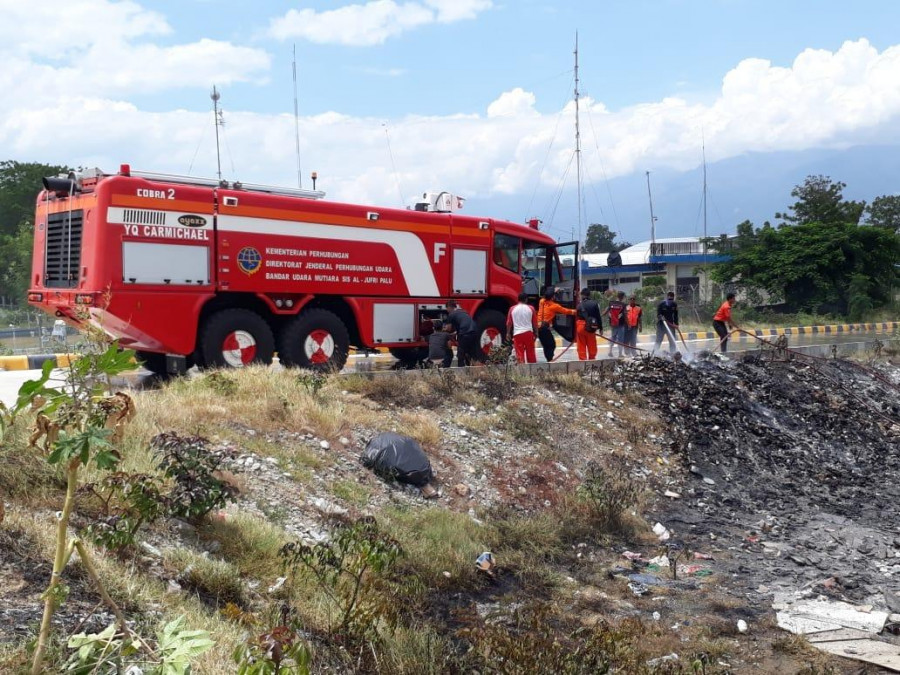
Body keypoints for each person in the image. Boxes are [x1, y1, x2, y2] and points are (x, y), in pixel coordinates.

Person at [536, 287, 577, 362]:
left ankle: (549, 359)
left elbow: (546, 296)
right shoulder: (555, 306)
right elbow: (566, 311)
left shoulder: (541, 302)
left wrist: (553, 290)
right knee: (552, 344)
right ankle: (550, 360)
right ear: (553, 297)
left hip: (538, 327)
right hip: (544, 328)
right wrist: (576, 311)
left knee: (546, 345)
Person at [446, 300, 480, 366]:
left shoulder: (451, 314)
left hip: (465, 333)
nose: (447, 310)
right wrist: (455, 333)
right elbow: (464, 323)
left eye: (447, 308)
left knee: (461, 354)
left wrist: (442, 330)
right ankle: (476, 370)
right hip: (475, 331)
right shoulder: (463, 312)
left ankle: (461, 371)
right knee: (472, 353)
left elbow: (449, 329)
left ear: (449, 307)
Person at [506, 292, 538, 363]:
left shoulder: (512, 309)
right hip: (528, 333)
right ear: (526, 300)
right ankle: (532, 370)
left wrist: (508, 333)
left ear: (518, 299)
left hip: (517, 334)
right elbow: (535, 323)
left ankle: (522, 372)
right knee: (531, 353)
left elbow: (509, 323)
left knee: (520, 354)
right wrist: (536, 333)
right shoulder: (531, 308)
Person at [575, 288, 603, 360]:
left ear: (582, 295)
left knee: (581, 345)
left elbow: (577, 317)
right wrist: (601, 328)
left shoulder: (579, 305)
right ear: (589, 295)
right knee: (592, 345)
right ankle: (592, 359)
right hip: (591, 326)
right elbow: (598, 316)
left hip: (580, 327)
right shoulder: (594, 304)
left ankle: (582, 361)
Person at [602, 291, 627, 357]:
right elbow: (625, 314)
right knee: (620, 339)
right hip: (620, 324)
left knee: (613, 337)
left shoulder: (611, 303)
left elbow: (605, 312)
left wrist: (604, 315)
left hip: (613, 323)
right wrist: (628, 323)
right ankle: (620, 354)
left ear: (617, 296)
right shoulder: (623, 304)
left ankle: (610, 351)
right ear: (622, 297)